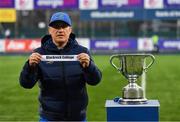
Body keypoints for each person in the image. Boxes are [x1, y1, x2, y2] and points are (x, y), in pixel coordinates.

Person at [19, 12, 102, 121]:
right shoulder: (39, 53)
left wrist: (89, 67)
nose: (60, 30)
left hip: (77, 117)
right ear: (50, 30)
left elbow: (95, 81)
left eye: (64, 26)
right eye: (56, 27)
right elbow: (26, 84)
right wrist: (29, 67)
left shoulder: (82, 52)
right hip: (49, 117)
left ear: (70, 30)